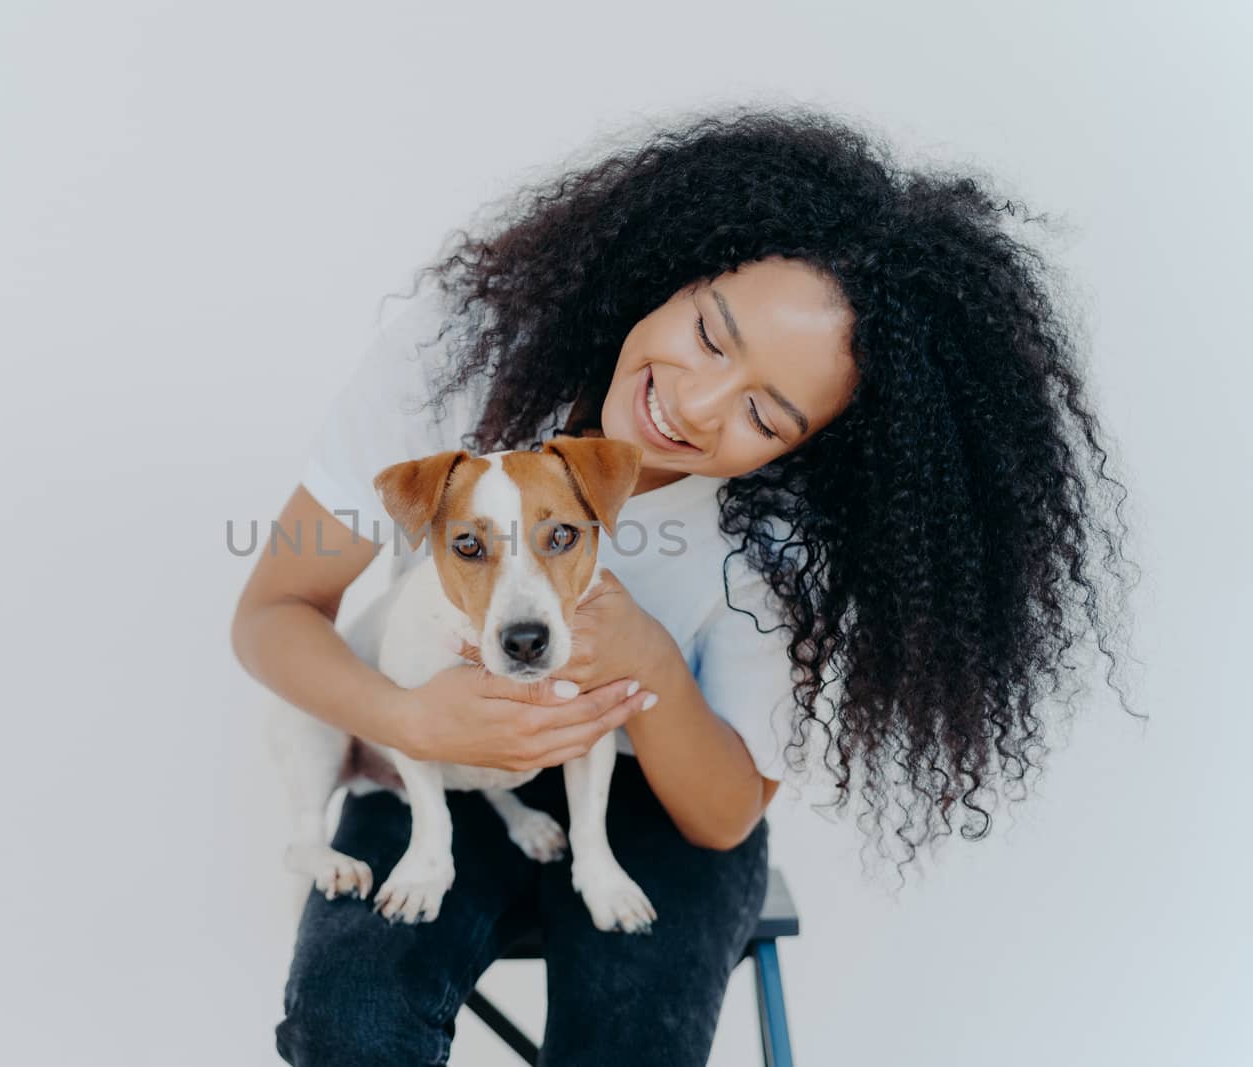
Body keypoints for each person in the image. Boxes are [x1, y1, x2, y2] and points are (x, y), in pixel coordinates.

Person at [229, 104, 1138, 1066]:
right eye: (710, 332)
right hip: (435, 754)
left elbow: (723, 811)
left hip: (657, 788)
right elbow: (271, 611)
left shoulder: (796, 534)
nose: (693, 405)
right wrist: (409, 722)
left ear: (816, 448)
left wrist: (647, 656)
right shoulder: (462, 353)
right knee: (350, 1023)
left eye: (765, 412)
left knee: (631, 1044)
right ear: (675, 262)